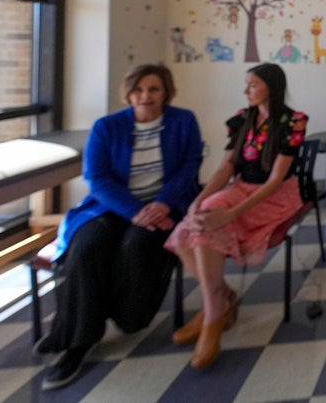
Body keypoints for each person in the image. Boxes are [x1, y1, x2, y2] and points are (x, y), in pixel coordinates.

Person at [36, 63, 203, 390]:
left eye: (154, 89)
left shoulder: (183, 121)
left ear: (166, 91)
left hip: (163, 205)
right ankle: (78, 340)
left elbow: (190, 165)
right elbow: (96, 179)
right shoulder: (106, 127)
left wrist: (163, 204)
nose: (146, 96)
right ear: (128, 93)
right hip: (112, 206)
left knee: (137, 245)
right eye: (139, 90)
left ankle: (128, 317)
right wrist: (135, 210)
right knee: (86, 248)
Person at [165, 62, 309, 369]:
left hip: (275, 196)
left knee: (205, 232)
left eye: (253, 85)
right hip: (241, 187)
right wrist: (199, 199)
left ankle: (213, 316)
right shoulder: (243, 119)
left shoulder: (292, 122)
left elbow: (274, 182)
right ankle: (218, 299)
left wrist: (229, 214)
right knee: (185, 233)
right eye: (247, 84)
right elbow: (227, 167)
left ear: (272, 86)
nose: (246, 91)